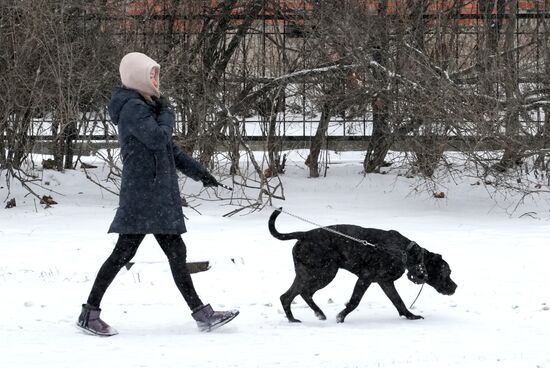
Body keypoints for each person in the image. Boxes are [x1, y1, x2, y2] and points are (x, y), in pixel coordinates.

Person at [77, 52, 238, 336]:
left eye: (156, 74)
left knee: (176, 253)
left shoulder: (146, 107)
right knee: (122, 253)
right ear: (136, 77)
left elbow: (169, 150)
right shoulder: (132, 108)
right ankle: (89, 314)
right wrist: (167, 114)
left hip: (157, 196)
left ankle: (202, 314)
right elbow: (157, 138)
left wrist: (201, 174)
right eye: (150, 74)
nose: (155, 79)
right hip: (143, 196)